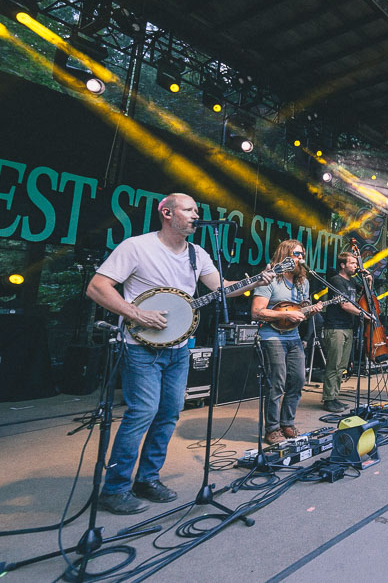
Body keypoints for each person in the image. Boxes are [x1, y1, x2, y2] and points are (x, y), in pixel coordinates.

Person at [86, 193, 275, 514]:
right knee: (141, 412)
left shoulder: (196, 254)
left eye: (197, 210)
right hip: (139, 346)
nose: (195, 215)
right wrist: (135, 313)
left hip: (178, 347)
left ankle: (147, 479)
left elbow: (221, 288)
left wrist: (258, 281)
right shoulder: (137, 247)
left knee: (169, 413)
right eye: (189, 210)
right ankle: (114, 487)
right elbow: (97, 287)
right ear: (167, 213)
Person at [251, 239, 312, 445]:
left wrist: (309, 311)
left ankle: (287, 422)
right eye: (297, 254)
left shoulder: (303, 283)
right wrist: (283, 316)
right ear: (285, 255)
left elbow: (302, 309)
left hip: (293, 336)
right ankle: (272, 428)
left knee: (298, 380)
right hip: (272, 336)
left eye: (302, 254)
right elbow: (257, 311)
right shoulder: (271, 279)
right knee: (277, 382)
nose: (301, 258)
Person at [321, 251, 371, 412]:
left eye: (356, 264)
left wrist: (369, 281)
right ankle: (329, 399)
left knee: (342, 365)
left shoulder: (352, 281)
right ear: (343, 265)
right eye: (352, 263)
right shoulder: (337, 280)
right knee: (334, 364)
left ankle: (334, 397)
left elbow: (366, 295)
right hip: (335, 327)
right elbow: (344, 305)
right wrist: (364, 314)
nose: (355, 266)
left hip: (348, 327)